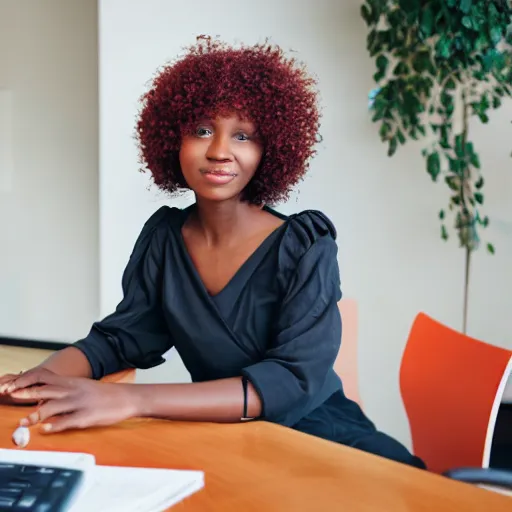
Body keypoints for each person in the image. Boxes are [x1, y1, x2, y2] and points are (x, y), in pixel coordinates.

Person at [0, 36, 425, 469]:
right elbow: (120, 338)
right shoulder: (165, 239)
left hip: (325, 448)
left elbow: (289, 381)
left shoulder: (305, 246)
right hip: (232, 446)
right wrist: (41, 379)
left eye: (242, 136)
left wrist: (128, 398)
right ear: (171, 140)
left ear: (270, 150)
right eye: (202, 130)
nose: (220, 151)